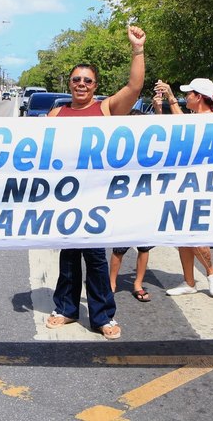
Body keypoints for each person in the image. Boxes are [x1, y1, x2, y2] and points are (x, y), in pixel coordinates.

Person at [44, 25, 147, 340]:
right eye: (76, 79)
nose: (81, 84)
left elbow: (134, 86)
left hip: (97, 197)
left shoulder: (106, 108)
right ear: (70, 84)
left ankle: (103, 316)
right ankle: (66, 309)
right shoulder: (55, 114)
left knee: (96, 259)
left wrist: (138, 49)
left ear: (95, 85)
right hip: (65, 198)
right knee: (69, 257)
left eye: (87, 80)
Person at [153, 78, 213, 298]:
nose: (186, 98)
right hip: (183, 181)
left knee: (193, 233)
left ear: (199, 97)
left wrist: (172, 99)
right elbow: (174, 132)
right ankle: (189, 281)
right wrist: (159, 108)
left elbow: (187, 129)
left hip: (202, 183)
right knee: (182, 233)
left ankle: (211, 273)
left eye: (189, 94)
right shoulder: (193, 117)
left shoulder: (212, 119)